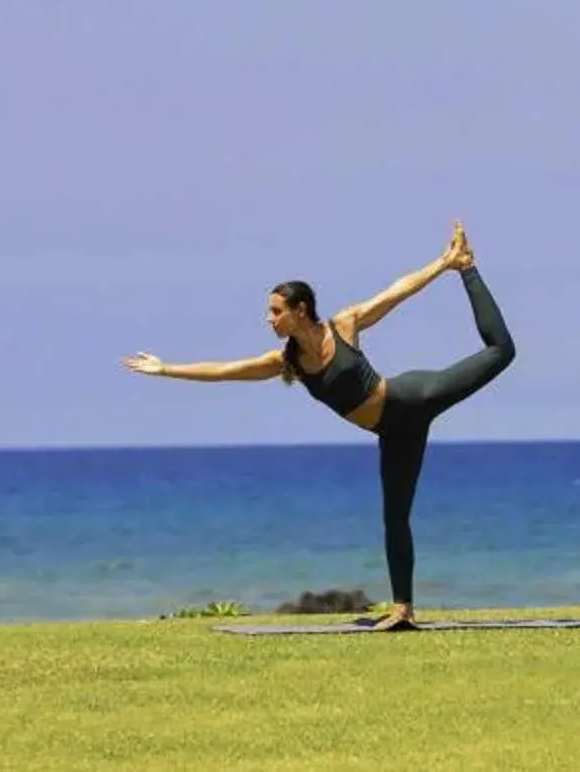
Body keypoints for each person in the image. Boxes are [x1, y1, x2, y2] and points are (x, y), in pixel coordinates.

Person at [124, 221, 513, 629]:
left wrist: (448, 263)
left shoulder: (344, 325)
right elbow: (224, 370)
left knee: (501, 352)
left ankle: (469, 267)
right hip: (395, 434)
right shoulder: (287, 362)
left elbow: (398, 291)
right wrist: (165, 368)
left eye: (276, 311)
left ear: (300, 310)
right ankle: (403, 609)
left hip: (412, 397)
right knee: (395, 518)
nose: (268, 319)